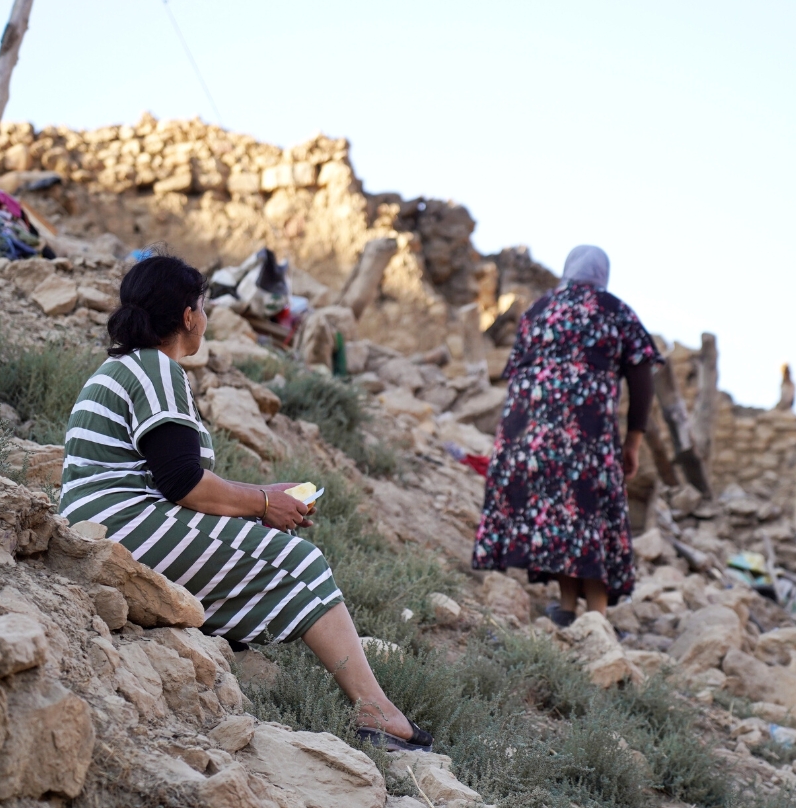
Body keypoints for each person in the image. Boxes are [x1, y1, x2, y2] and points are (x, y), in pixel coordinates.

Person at [59, 251, 432, 752]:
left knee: (256, 549)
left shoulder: (122, 367)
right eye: (203, 308)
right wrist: (261, 503)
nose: (206, 320)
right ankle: (377, 712)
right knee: (302, 563)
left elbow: (174, 481)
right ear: (189, 316)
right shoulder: (157, 369)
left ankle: (230, 634)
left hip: (98, 526)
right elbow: (182, 481)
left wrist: (260, 507)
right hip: (122, 526)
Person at [471, 245, 663, 627]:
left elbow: (516, 373)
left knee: (555, 513)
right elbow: (642, 379)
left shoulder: (539, 310)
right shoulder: (614, 311)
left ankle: (568, 607)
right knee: (587, 513)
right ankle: (597, 618)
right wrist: (633, 441)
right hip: (584, 432)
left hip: (528, 431)